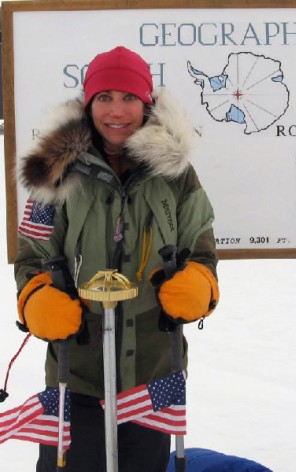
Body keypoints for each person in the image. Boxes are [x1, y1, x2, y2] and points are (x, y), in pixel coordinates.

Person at [14, 46, 219, 472]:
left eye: (129, 98)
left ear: (147, 103)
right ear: (88, 103)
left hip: (154, 363)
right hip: (79, 365)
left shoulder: (176, 174)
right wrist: (36, 296)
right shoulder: (56, 170)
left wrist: (200, 281)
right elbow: (32, 254)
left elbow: (201, 247)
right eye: (104, 97)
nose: (117, 111)